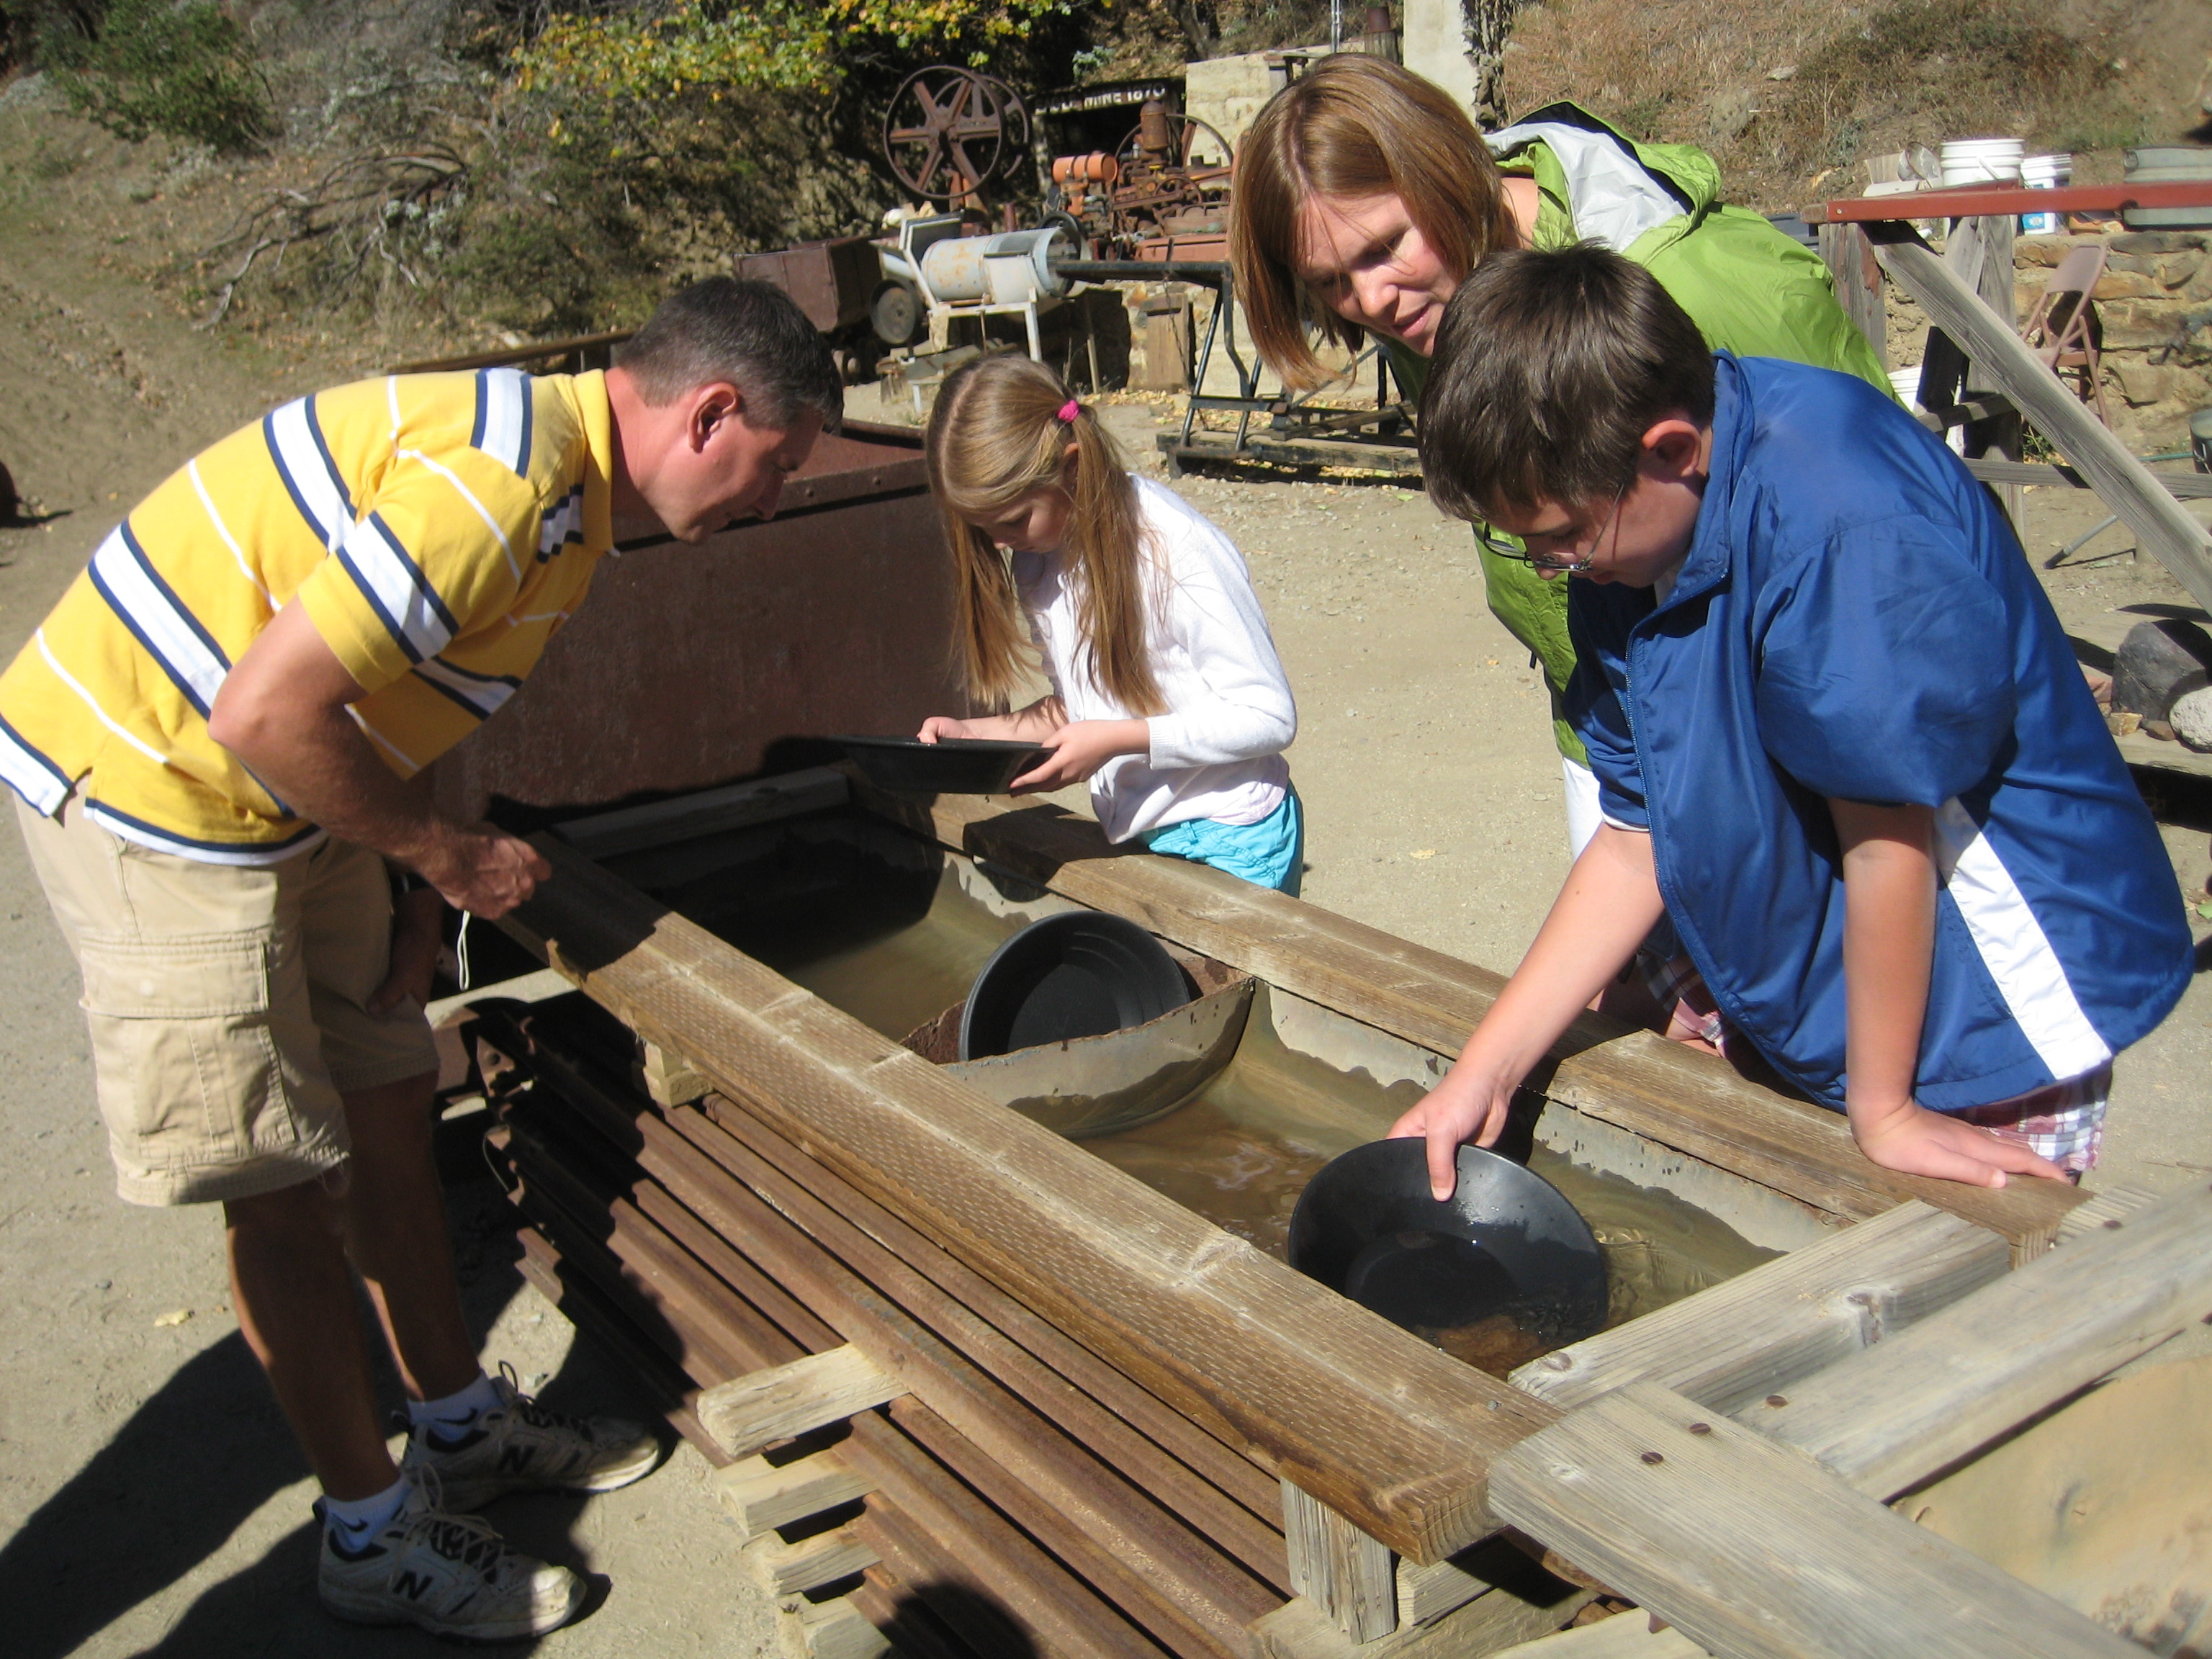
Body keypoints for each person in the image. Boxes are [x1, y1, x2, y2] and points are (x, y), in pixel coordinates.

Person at [0, 276, 840, 1639]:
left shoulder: (579, 503)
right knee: (277, 1182)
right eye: (776, 466)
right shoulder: (502, 484)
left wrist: (409, 872)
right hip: (168, 792)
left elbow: (414, 686)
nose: (771, 497)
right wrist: (451, 863)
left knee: (391, 1091)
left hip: (300, 785)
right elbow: (261, 707)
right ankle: (369, 1531)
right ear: (712, 412)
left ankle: (456, 1426)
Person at [1389, 246, 2190, 1197]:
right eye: (1518, 540)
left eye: (1560, 537)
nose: (1549, 564)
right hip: (1838, 971)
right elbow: (1634, 834)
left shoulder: (1843, 525)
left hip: (1986, 978)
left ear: (1674, 452)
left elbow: (1888, 834)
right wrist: (1486, 1068)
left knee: (1979, 1276)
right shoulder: (1619, 542)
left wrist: (1884, 1108)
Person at [1228, 55, 1890, 856]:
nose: (1369, 304)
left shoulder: (1690, 284)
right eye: (1330, 282)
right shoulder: (1432, 307)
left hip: (1801, 750)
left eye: (1383, 249)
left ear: (1441, 170)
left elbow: (1880, 527)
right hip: (1613, 730)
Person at [915, 353, 1301, 894]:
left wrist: (1117, 741)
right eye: (983, 530)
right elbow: (1084, 705)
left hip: (1232, 833)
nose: (1000, 544)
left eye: (1012, 521)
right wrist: (979, 735)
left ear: (1071, 466)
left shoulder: (1173, 548)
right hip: (1140, 832)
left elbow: (1268, 716)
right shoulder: (1038, 563)